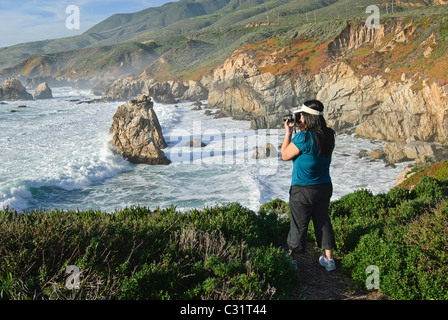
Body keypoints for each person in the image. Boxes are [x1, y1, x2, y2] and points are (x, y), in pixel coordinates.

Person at [281, 100, 337, 271]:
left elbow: (284, 154)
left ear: (307, 118)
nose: (299, 118)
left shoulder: (303, 138)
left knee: (299, 225)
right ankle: (329, 261)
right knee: (323, 222)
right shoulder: (328, 135)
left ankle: (293, 260)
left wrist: (289, 133)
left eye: (301, 115)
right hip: (324, 186)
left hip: (303, 189)